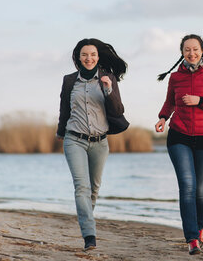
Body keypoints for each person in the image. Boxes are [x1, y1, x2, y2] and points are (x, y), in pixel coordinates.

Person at [155, 34, 203, 255]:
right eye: (187, 49)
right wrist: (163, 117)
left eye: (195, 49)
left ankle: (200, 225)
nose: (191, 53)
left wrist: (201, 101)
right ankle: (192, 239)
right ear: (182, 53)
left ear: (202, 51)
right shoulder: (176, 78)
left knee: (200, 190)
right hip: (179, 136)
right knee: (187, 186)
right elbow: (169, 102)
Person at [56, 38, 128, 251]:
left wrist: (108, 89)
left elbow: (117, 111)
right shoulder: (69, 81)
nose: (89, 58)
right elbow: (64, 109)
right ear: (78, 57)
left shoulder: (108, 78)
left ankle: (85, 217)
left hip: (100, 142)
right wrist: (61, 132)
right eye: (85, 55)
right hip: (74, 139)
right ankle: (89, 235)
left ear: (98, 57)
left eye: (93, 55)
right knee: (82, 187)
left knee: (94, 189)